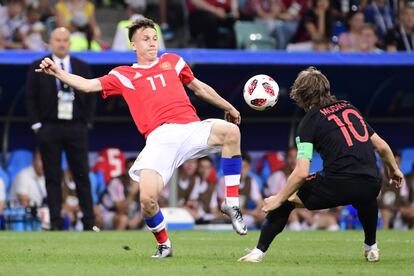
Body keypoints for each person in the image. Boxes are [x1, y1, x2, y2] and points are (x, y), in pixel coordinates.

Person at [35, 18, 247, 258]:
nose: (152, 43)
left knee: (231, 132)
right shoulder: (124, 75)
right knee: (147, 199)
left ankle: (231, 202)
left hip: (190, 128)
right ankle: (164, 244)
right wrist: (58, 72)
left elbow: (199, 88)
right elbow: (86, 85)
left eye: (155, 38)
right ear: (133, 45)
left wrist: (228, 106)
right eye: (145, 39)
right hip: (159, 139)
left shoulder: (173, 62)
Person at [239, 66, 403, 263]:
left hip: (338, 184)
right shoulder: (349, 107)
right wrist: (394, 170)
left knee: (287, 199)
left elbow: (300, 173)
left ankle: (258, 253)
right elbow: (383, 147)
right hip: (371, 181)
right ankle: (372, 247)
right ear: (326, 88)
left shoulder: (309, 122)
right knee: (365, 195)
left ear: (300, 94)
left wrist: (279, 199)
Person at [26, 27, 97, 231]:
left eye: (65, 39)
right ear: (51, 41)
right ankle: (56, 223)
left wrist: (87, 123)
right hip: (49, 126)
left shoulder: (81, 66)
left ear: (70, 42)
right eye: (58, 39)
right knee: (52, 175)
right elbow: (30, 98)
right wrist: (37, 125)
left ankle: (89, 222)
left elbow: (92, 97)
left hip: (76, 127)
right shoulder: (37, 66)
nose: (62, 43)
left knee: (82, 174)